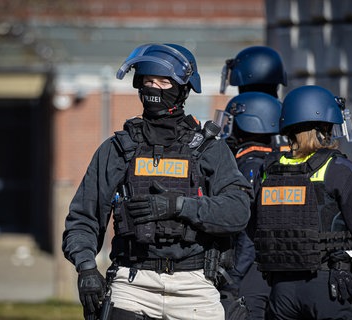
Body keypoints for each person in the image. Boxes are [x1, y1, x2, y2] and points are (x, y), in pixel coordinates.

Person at [61, 43, 253, 320]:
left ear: (184, 88)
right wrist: (87, 268)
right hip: (132, 284)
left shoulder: (210, 149)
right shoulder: (117, 149)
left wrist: (178, 206)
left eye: (163, 81)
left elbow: (237, 212)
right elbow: (83, 218)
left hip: (195, 286)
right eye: (148, 81)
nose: (154, 89)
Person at [253, 85, 352, 319]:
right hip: (329, 288)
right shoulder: (338, 169)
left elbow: (254, 228)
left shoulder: (268, 170)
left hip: (280, 290)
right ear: (325, 128)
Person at [216, 45, 287, 320]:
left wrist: (231, 277)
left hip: (249, 271)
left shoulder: (247, 165)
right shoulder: (284, 156)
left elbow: (247, 232)